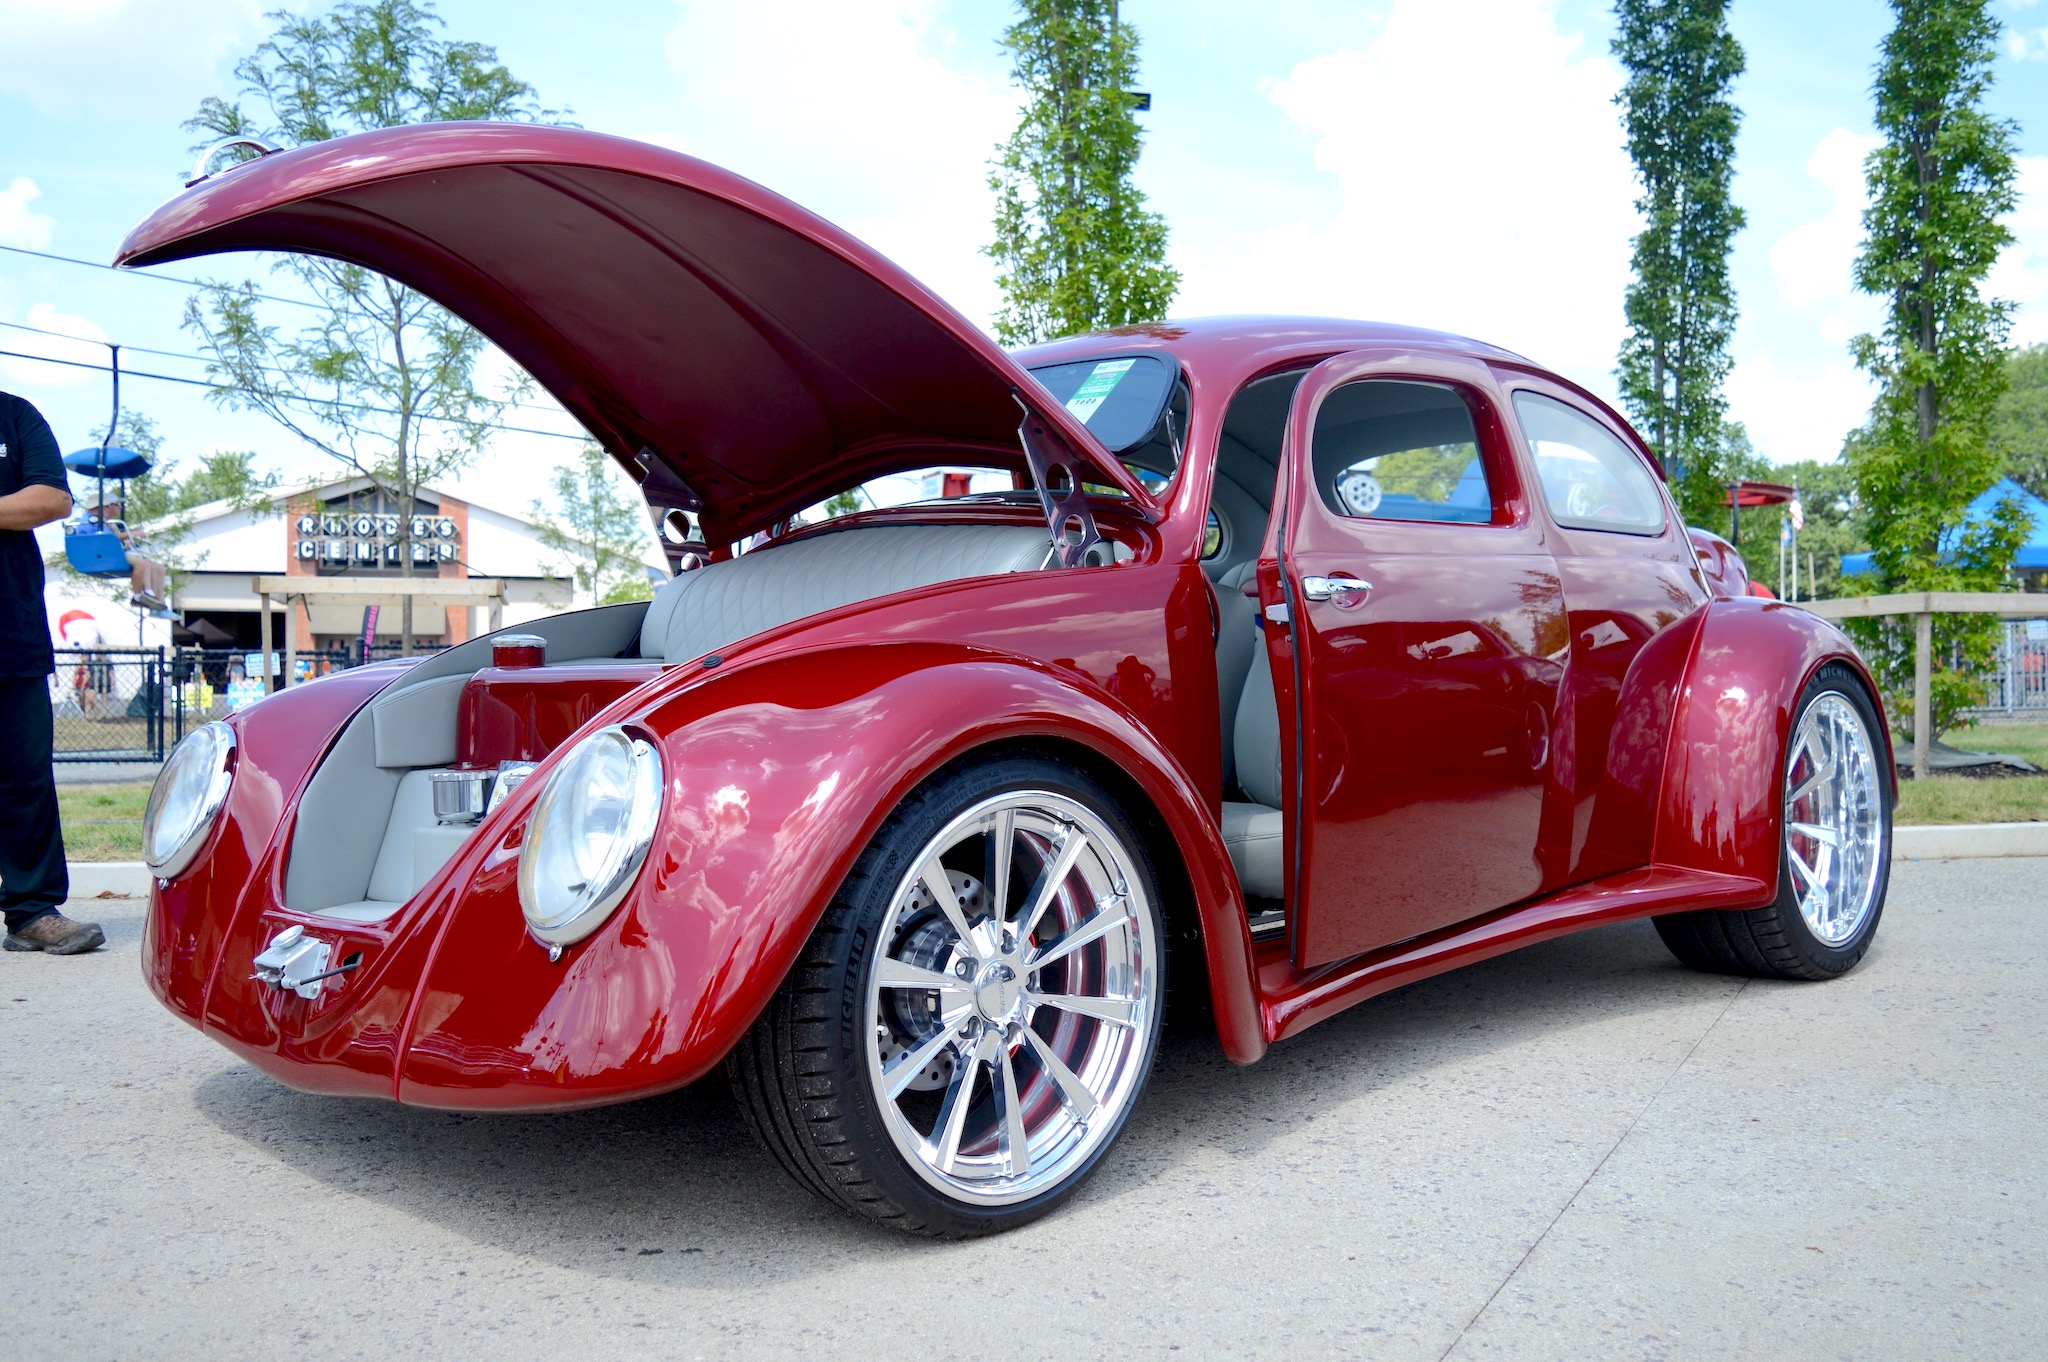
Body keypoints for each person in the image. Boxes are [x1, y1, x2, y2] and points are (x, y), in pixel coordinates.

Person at [0, 388, 102, 954]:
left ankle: (32, 910)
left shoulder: (14, 414)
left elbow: (51, 498)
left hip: (9, 631)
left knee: (23, 778)